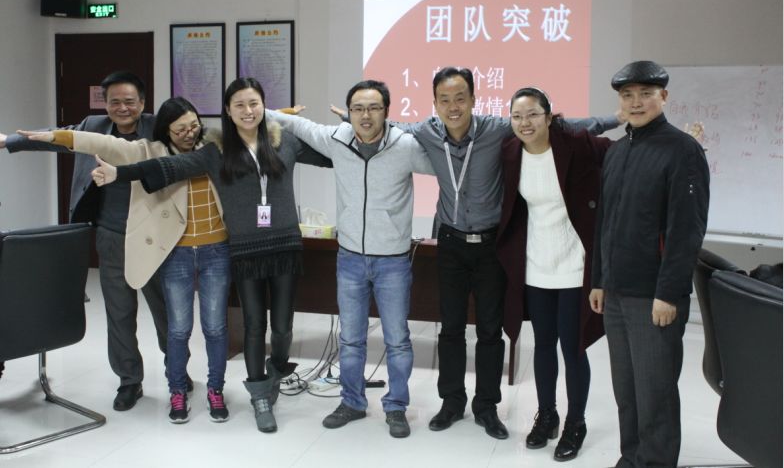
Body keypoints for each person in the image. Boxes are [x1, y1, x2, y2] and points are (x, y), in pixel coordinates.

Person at [391, 67, 620, 440]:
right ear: (434, 103)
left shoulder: (500, 130)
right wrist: (354, 119)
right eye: (444, 100)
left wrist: (617, 118)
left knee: (491, 330)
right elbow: (390, 126)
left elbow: (573, 126)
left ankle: (487, 407)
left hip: (491, 246)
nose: (453, 106)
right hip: (451, 243)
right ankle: (452, 402)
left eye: (460, 98)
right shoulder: (428, 132)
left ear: (474, 99)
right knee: (450, 329)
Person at [92, 77, 331, 433]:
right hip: (244, 250)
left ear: (264, 106)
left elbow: (332, 155)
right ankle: (255, 395)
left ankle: (278, 367)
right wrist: (119, 174)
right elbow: (169, 168)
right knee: (249, 326)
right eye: (239, 105)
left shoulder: (285, 141)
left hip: (284, 247)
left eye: (254, 103)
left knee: (282, 328)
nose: (247, 111)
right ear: (227, 112)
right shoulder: (218, 151)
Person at [18, 97, 232, 424]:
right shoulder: (148, 151)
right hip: (172, 250)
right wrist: (52, 137)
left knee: (212, 326)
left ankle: (208, 386)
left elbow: (246, 130)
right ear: (166, 131)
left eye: (193, 126)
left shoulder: (211, 148)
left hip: (216, 249)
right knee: (176, 327)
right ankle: (165, 388)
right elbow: (100, 143)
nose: (190, 134)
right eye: (180, 130)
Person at [266, 80, 434, 438]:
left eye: (373, 108)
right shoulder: (338, 139)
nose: (365, 115)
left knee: (398, 340)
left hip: (392, 260)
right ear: (349, 112)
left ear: (387, 112)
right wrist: (261, 111)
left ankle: (396, 407)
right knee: (351, 339)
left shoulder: (405, 146)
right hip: (350, 259)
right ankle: (352, 402)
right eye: (358, 108)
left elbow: (444, 163)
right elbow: (299, 125)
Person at [0, 71, 173, 411]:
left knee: (167, 312)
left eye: (129, 101)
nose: (122, 108)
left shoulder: (159, 127)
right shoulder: (93, 126)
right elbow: (55, 138)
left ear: (142, 103)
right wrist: (10, 141)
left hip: (155, 237)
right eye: (114, 102)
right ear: (105, 104)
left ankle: (177, 372)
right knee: (119, 313)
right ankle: (129, 381)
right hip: (111, 234)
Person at [589, 61, 710, 468]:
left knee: (655, 393)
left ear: (664, 96)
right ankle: (631, 459)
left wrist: (669, 293)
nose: (636, 102)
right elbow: (605, 221)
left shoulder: (682, 150)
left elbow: (687, 230)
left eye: (645, 94)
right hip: (617, 293)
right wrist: (599, 280)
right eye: (628, 95)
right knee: (626, 391)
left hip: (654, 296)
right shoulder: (617, 151)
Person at [496, 87, 610, 461]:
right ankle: (547, 415)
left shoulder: (576, 144)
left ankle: (576, 422)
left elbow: (621, 153)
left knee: (573, 347)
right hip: (536, 264)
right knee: (543, 344)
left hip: (575, 263)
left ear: (548, 116)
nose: (524, 123)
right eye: (517, 116)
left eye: (532, 114)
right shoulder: (510, 152)